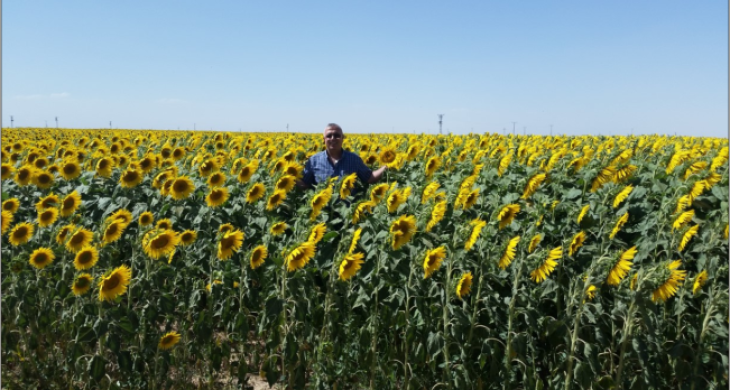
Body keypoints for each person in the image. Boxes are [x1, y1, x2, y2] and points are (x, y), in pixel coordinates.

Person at [297, 123, 387, 191]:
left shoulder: (354, 159)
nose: (333, 138)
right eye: (329, 136)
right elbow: (305, 184)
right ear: (324, 140)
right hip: (323, 213)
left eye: (337, 135)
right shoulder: (313, 161)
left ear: (342, 138)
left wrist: (386, 166)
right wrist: (292, 176)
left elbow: (370, 177)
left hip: (348, 212)